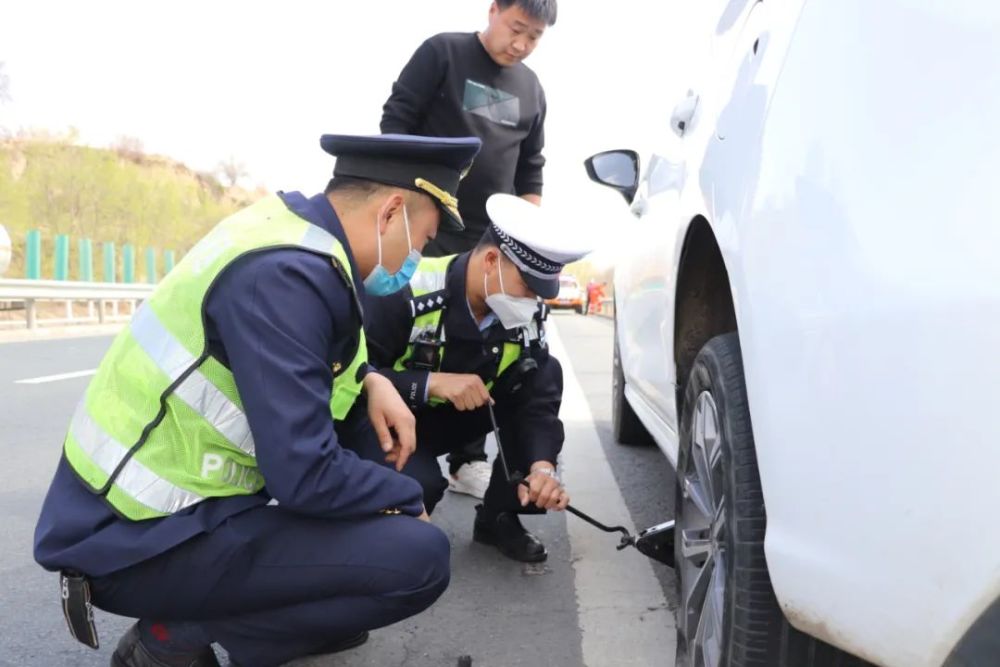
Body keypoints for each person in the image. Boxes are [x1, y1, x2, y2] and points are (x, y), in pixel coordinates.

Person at [32, 133, 481, 667]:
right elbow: (304, 475)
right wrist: (404, 501)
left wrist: (371, 379)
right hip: (134, 541)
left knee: (406, 481)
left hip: (158, 515)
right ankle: (171, 635)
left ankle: (276, 622)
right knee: (420, 556)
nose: (416, 258)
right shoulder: (288, 275)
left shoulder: (291, 237)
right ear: (390, 214)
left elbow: (311, 364)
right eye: (421, 241)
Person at [380, 0, 558, 500]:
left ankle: (468, 460)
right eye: (516, 28)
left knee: (490, 342)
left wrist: (526, 233)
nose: (521, 44)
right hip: (429, 223)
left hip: (491, 238)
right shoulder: (444, 53)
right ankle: (388, 432)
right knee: (415, 326)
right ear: (494, 9)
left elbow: (531, 167)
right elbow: (396, 121)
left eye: (535, 37)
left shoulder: (531, 88)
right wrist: (405, 208)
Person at [360, 194, 591, 563]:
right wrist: (430, 384)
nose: (532, 303)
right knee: (418, 489)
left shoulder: (525, 317)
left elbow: (538, 401)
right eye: (528, 289)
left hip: (458, 418)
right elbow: (353, 377)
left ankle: (499, 516)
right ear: (490, 261)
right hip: (386, 419)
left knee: (543, 371)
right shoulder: (407, 290)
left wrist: (541, 467)